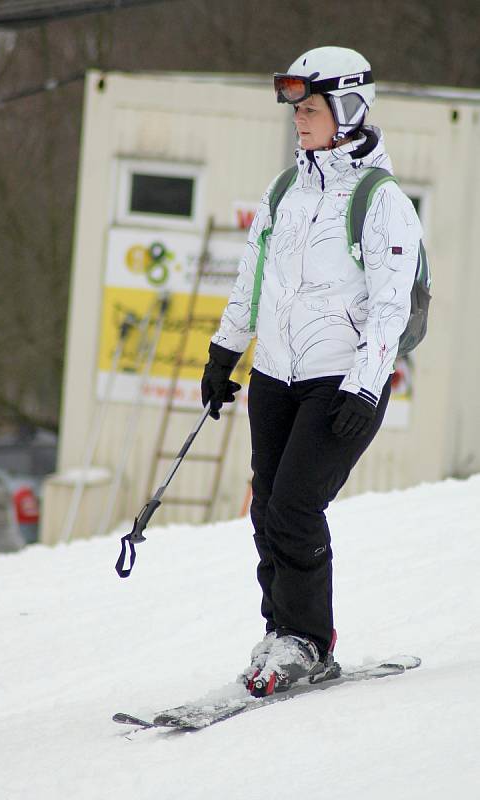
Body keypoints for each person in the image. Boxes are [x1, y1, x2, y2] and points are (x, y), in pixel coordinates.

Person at [200, 46, 423, 697]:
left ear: (348, 110)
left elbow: (390, 306)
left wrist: (365, 383)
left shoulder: (383, 203)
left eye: (312, 107)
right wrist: (223, 353)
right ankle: (281, 631)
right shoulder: (283, 192)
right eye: (297, 107)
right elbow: (253, 281)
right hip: (274, 376)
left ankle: (307, 641)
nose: (299, 118)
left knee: (296, 504)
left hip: (340, 381)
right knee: (268, 506)